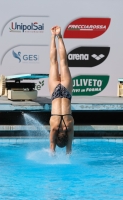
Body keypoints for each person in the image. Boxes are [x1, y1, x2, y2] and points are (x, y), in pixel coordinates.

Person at [49, 26, 74, 154]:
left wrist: (67, 150)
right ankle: (54, 36)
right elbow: (51, 147)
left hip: (66, 93)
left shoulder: (69, 126)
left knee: (64, 62)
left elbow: (69, 150)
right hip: (55, 93)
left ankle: (59, 36)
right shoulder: (54, 126)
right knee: (54, 63)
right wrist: (52, 151)